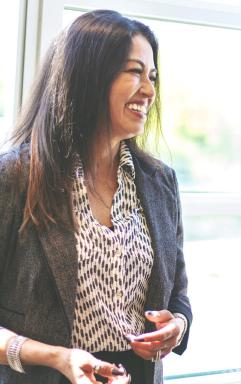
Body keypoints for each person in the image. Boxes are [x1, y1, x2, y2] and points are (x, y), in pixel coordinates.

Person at [0, 9, 192, 384]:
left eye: (152, 76)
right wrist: (58, 358)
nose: (150, 90)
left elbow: (179, 295)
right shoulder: (15, 178)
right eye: (135, 72)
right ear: (88, 76)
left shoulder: (159, 182)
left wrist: (177, 326)